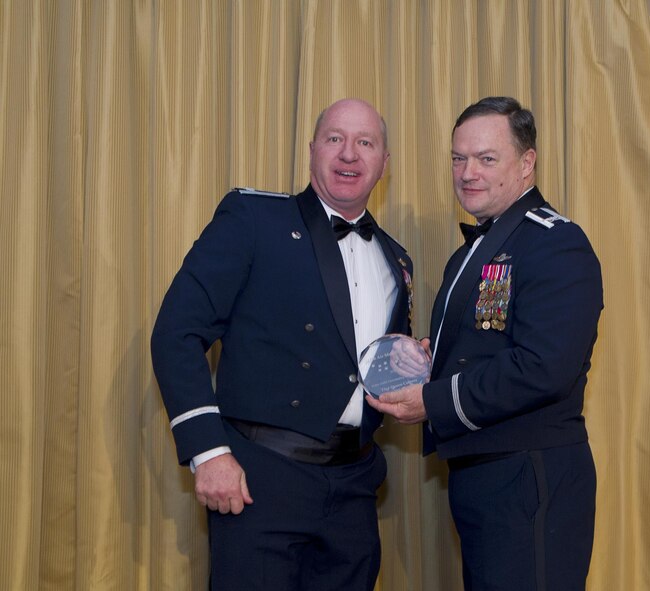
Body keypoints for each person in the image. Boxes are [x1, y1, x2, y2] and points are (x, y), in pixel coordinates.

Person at [151, 98, 413, 590]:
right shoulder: (254, 219)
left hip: (354, 490)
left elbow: (369, 368)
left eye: (365, 143)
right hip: (260, 482)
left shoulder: (395, 259)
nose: (349, 154)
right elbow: (176, 332)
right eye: (335, 138)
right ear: (313, 149)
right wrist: (208, 451)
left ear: (384, 163)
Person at [368, 96, 603, 590]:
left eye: (486, 158)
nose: (468, 172)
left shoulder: (555, 242)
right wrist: (431, 358)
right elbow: (487, 343)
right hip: (486, 476)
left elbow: (543, 366)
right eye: (459, 158)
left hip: (530, 476)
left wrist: (430, 399)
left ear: (527, 162)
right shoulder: (473, 251)